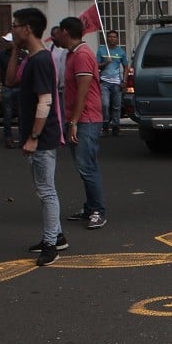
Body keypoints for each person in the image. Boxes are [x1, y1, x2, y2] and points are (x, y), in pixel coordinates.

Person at [14, 8, 65, 266]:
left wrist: (34, 135)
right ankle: (56, 235)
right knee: (42, 189)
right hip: (36, 136)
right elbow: (13, 80)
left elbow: (45, 101)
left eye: (16, 26)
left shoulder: (42, 60)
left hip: (42, 138)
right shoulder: (31, 58)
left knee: (46, 191)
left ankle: (51, 245)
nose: (13, 30)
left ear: (28, 29)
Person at [57, 16, 107, 230]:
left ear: (66, 32)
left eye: (58, 31)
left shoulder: (83, 55)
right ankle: (90, 208)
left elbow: (83, 92)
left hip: (86, 119)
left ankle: (97, 210)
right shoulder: (72, 54)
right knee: (84, 166)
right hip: (77, 118)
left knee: (87, 166)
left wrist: (75, 122)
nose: (55, 35)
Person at [95, 29, 127, 136]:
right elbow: (96, 65)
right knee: (104, 105)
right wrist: (105, 62)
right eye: (110, 37)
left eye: (114, 37)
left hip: (117, 83)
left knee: (117, 107)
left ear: (117, 39)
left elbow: (126, 66)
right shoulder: (101, 50)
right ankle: (105, 127)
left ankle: (116, 128)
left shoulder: (121, 52)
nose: (112, 39)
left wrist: (124, 80)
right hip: (104, 82)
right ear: (107, 38)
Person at [0, 33, 19, 148]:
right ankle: (8, 138)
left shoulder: (23, 54)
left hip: (20, 88)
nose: (6, 43)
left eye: (8, 41)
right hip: (7, 88)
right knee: (7, 115)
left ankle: (23, 137)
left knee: (22, 114)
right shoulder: (1, 55)